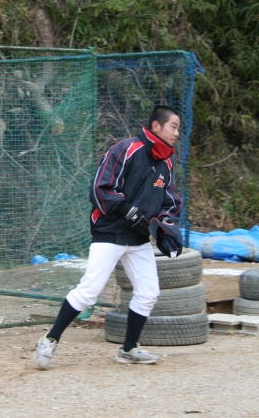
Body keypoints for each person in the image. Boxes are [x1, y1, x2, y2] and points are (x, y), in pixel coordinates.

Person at [34, 105, 183, 369]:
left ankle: (128, 349)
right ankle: (50, 339)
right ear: (156, 126)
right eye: (174, 126)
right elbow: (100, 186)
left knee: (149, 292)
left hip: (138, 238)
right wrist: (126, 209)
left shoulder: (166, 163)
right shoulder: (127, 148)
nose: (177, 133)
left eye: (178, 128)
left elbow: (170, 201)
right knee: (89, 291)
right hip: (110, 231)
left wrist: (164, 223)